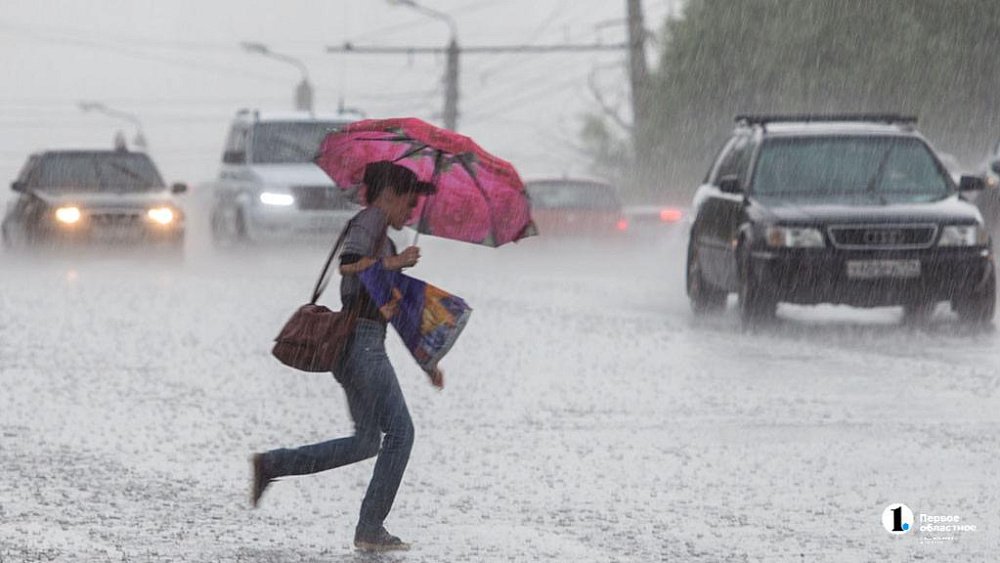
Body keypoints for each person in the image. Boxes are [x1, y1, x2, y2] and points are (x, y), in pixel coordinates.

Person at [251, 160, 442, 552]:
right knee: (401, 434)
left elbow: (390, 305)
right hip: (363, 345)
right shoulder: (371, 221)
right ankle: (370, 529)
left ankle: (273, 464)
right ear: (388, 195)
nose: (411, 213)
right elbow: (348, 267)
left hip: (362, 342)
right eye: (408, 203)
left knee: (367, 441)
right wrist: (396, 262)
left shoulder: (380, 233)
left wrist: (428, 362)